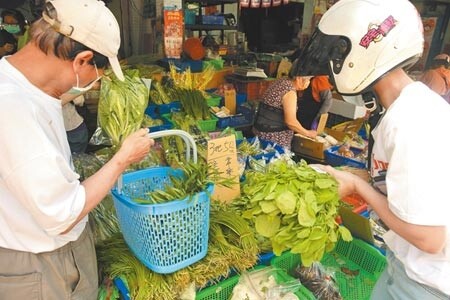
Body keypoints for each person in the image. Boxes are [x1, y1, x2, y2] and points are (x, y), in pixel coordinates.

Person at [291, 0, 450, 299]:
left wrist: (355, 186)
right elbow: (398, 182)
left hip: (426, 285)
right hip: (405, 269)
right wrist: (346, 174)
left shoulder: (410, 121)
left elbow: (430, 238)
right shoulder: (405, 109)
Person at [0, 1, 154, 300]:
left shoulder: (15, 80)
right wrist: (123, 157)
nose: (95, 81)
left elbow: (42, 101)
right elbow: (63, 214)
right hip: (41, 265)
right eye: (97, 71)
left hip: (49, 250)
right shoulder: (13, 110)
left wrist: (68, 94)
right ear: (81, 60)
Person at [253, 69, 318, 150]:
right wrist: (308, 133)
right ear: (298, 78)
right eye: (308, 80)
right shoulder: (289, 91)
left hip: (260, 133)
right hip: (274, 140)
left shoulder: (282, 81)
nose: (308, 83)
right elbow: (290, 121)